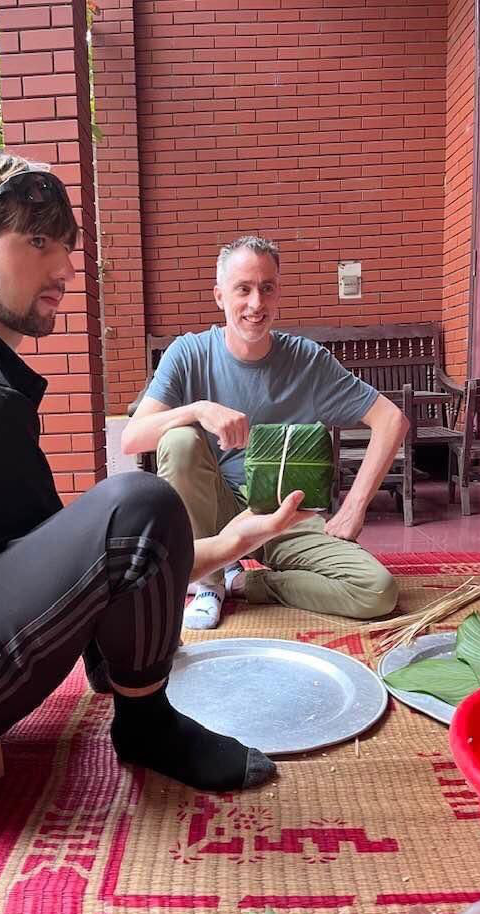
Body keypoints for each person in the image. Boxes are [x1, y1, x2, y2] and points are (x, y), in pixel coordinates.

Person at [0, 157, 311, 827]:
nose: (65, 268)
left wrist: (224, 544)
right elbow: (108, 561)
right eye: (38, 241)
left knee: (112, 524)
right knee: (141, 507)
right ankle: (147, 724)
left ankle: (128, 683)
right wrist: (226, 544)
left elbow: (44, 558)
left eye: (67, 245)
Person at [122, 235, 410, 630]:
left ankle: (244, 582)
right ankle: (209, 584)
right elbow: (132, 438)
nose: (256, 303)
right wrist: (198, 410)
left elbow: (392, 419)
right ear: (220, 296)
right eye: (243, 289)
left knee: (377, 591)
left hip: (286, 512)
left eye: (267, 288)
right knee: (179, 438)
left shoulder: (307, 360)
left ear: (278, 294)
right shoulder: (188, 354)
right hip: (214, 512)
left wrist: (354, 507)